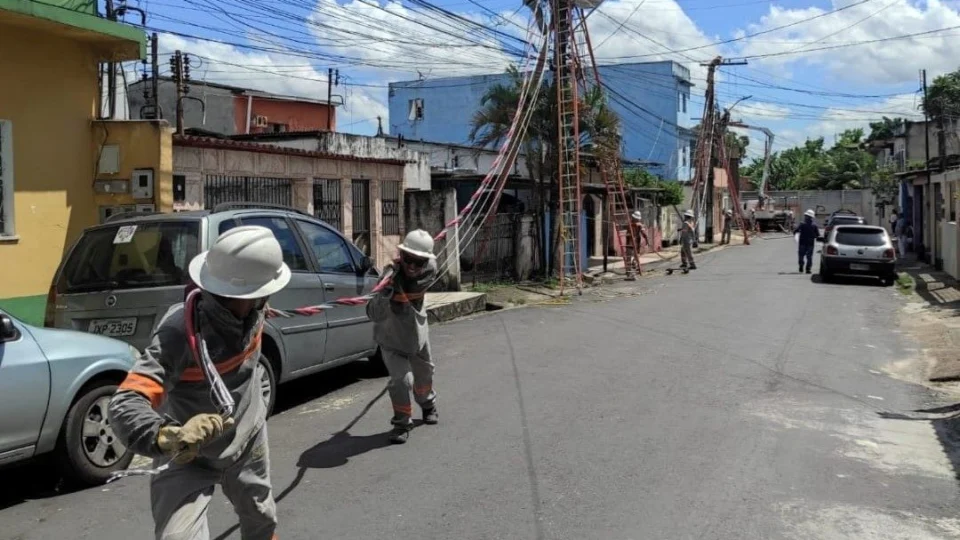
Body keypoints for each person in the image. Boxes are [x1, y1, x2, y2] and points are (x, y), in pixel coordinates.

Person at [109, 225, 290, 540]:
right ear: (250, 294)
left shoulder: (255, 312)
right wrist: (167, 436)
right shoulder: (179, 332)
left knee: (261, 519)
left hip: (247, 440)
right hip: (186, 453)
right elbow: (126, 403)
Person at [366, 229, 440, 444]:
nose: (413, 267)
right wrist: (385, 293)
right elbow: (373, 314)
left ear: (427, 262)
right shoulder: (389, 277)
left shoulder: (430, 271)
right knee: (401, 380)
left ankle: (428, 404)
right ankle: (401, 422)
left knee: (425, 373)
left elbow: (419, 275)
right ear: (401, 255)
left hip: (417, 332)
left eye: (420, 262)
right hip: (391, 336)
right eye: (408, 260)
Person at [794, 209, 821, 274]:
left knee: (801, 255)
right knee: (809, 257)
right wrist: (813, 236)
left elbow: (796, 231)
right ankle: (808, 269)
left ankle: (801, 266)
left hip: (802, 243)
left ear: (807, 216)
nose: (805, 216)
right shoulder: (814, 225)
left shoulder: (802, 224)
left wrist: (795, 231)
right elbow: (818, 235)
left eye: (806, 215)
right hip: (810, 244)